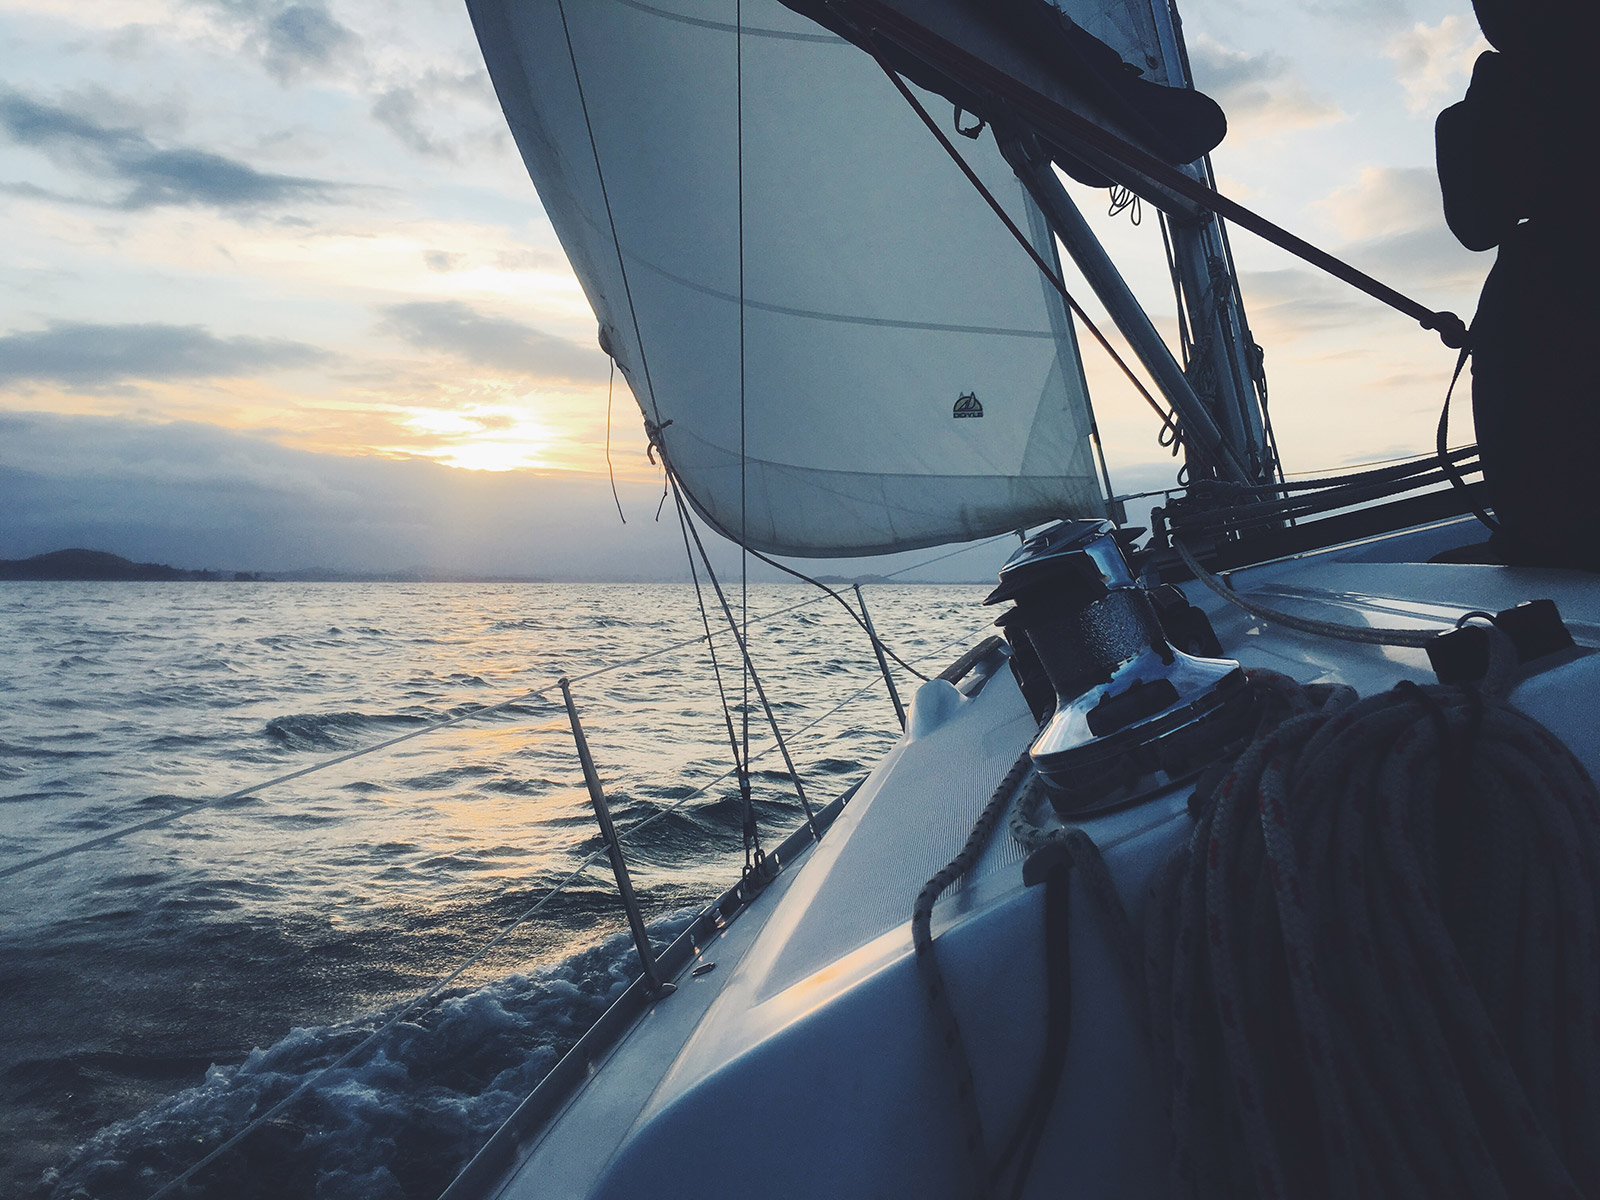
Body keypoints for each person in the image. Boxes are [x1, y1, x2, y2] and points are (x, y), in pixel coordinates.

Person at [1436, 0, 1600, 570]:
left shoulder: (1479, 109)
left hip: (1532, 308)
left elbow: (1475, 228)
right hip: (1538, 305)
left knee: (1544, 511)